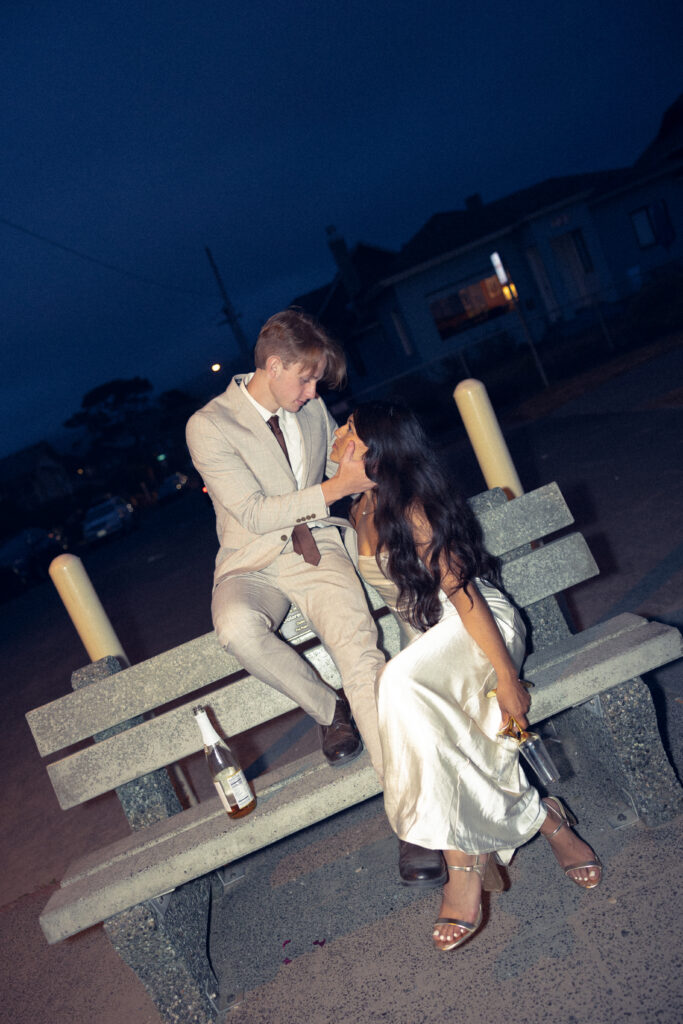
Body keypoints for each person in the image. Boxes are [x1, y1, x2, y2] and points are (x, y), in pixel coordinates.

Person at [329, 400, 602, 952]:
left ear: (376, 449)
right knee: (434, 719)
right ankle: (545, 819)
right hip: (430, 647)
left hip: (479, 629)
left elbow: (465, 596)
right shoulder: (357, 504)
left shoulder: (412, 510)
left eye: (349, 431)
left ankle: (463, 865)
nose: (337, 434)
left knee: (399, 687)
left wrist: (508, 680)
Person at [185, 310, 446, 886]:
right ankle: (332, 711)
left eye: (317, 384)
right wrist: (333, 487)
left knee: (363, 658)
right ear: (272, 366)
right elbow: (251, 512)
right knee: (235, 628)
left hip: (316, 550)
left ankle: (414, 825)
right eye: (304, 380)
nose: (312, 394)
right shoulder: (208, 425)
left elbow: (347, 463)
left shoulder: (312, 408)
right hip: (250, 560)